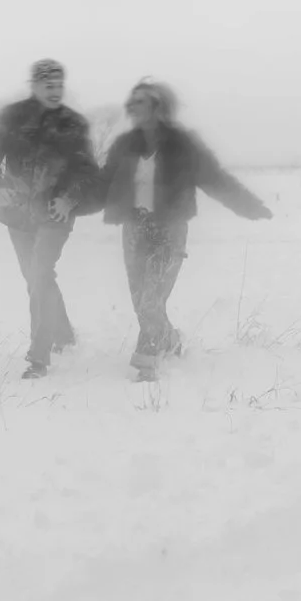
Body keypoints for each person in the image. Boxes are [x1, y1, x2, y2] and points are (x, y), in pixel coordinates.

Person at [97, 78, 273, 380]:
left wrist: (247, 204)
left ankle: (147, 360)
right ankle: (171, 340)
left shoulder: (182, 144)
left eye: (141, 101)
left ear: (158, 106)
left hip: (169, 227)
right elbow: (103, 183)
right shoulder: (125, 145)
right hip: (134, 228)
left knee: (152, 300)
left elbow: (213, 177)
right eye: (131, 102)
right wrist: (67, 203)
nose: (133, 107)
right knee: (141, 301)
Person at [0, 58, 102, 378]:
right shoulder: (12, 119)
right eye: (48, 85)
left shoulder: (73, 124)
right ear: (33, 85)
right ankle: (63, 333)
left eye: (60, 85)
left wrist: (69, 198)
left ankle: (38, 358)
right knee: (36, 278)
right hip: (18, 215)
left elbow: (88, 172)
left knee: (40, 273)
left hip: (55, 214)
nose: (55, 91)